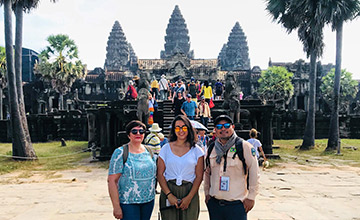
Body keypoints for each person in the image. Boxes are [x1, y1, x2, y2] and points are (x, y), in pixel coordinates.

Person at [204, 115, 259, 220]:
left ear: (232, 127)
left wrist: (251, 197)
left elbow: (254, 171)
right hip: (215, 204)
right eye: (219, 126)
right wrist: (207, 193)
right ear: (215, 130)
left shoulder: (244, 146)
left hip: (236, 205)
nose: (223, 129)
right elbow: (207, 172)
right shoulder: (212, 148)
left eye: (227, 125)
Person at [157, 115, 204, 220]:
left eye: (184, 127)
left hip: (189, 190)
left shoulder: (197, 151)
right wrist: (169, 195)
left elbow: (199, 176)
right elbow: (160, 174)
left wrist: (189, 197)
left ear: (189, 129)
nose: (181, 130)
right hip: (169, 189)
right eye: (177, 127)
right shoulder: (165, 149)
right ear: (174, 130)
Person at [108, 120, 156, 220]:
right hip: (128, 202)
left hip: (148, 200)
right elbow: (112, 180)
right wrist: (116, 206)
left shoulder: (149, 151)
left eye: (141, 132)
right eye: (134, 132)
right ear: (129, 135)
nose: (138, 134)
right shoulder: (120, 153)